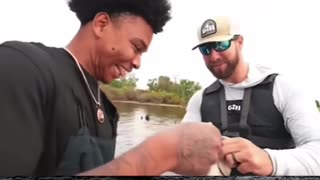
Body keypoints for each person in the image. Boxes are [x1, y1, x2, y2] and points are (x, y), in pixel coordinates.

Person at [0, 0, 223, 176]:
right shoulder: (23, 67)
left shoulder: (107, 111)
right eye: (136, 47)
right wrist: (161, 155)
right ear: (101, 24)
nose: (137, 63)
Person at [181, 16, 320, 176]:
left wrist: (269, 160)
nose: (213, 56)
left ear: (239, 42)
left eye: (221, 45)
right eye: (205, 49)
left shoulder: (283, 88)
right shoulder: (199, 100)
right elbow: (180, 150)